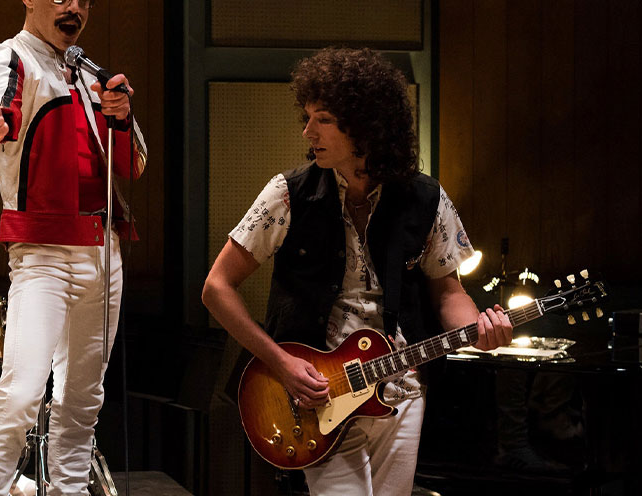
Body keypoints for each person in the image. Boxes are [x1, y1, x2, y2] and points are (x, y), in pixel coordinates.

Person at [201, 47, 513, 496]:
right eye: (307, 117)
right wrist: (281, 362)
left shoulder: (425, 198)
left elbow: (447, 291)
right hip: (317, 394)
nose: (308, 131)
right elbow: (216, 288)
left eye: (322, 118)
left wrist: (479, 330)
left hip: (401, 390)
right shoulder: (287, 195)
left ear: (366, 123)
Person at [0, 0, 147, 496]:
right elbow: (2, 104)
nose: (74, 8)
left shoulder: (92, 74)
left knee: (81, 401)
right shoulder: (8, 56)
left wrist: (121, 114)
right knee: (21, 392)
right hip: (43, 252)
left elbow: (134, 163)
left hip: (103, 250)